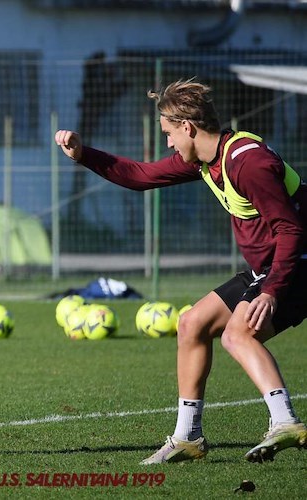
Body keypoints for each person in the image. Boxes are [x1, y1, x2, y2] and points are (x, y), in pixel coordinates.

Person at [55, 78, 307, 464]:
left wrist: (272, 290)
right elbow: (140, 176)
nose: (169, 143)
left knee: (238, 334)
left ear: (187, 127)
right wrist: (83, 154)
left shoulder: (249, 162)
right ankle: (188, 438)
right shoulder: (209, 159)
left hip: (295, 265)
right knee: (191, 323)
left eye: (169, 134)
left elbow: (291, 229)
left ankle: (285, 421)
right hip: (270, 268)